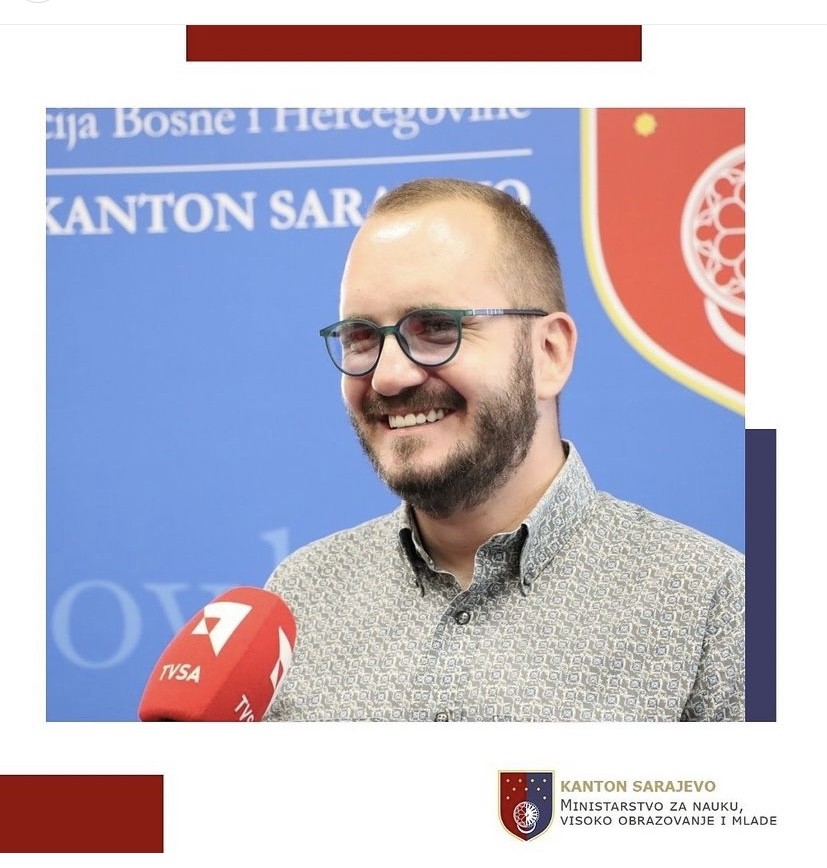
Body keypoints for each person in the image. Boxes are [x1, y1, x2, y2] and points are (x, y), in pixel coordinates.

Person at [264, 177, 745, 722]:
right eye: (361, 338)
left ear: (549, 352)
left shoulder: (714, 605)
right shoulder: (301, 597)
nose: (389, 376)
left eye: (436, 328)